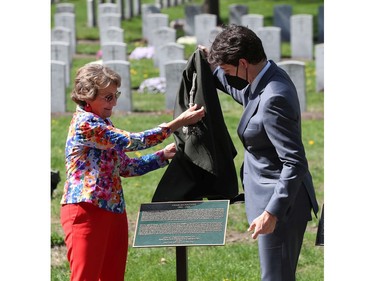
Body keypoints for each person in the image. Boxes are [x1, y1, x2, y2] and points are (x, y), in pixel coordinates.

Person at [59, 63, 205, 281]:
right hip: (86, 209)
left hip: (113, 209)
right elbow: (131, 141)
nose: (115, 102)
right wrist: (176, 123)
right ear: (87, 96)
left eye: (115, 95)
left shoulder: (103, 122)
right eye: (108, 97)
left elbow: (126, 167)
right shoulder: (86, 123)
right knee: (85, 277)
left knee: (113, 276)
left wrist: (162, 156)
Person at [200, 24, 319, 281]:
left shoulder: (274, 97)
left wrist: (272, 212)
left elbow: (295, 161)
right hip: (268, 195)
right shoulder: (266, 78)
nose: (226, 74)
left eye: (227, 69)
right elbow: (246, 95)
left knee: (275, 277)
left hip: (281, 204)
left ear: (243, 62)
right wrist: (209, 67)